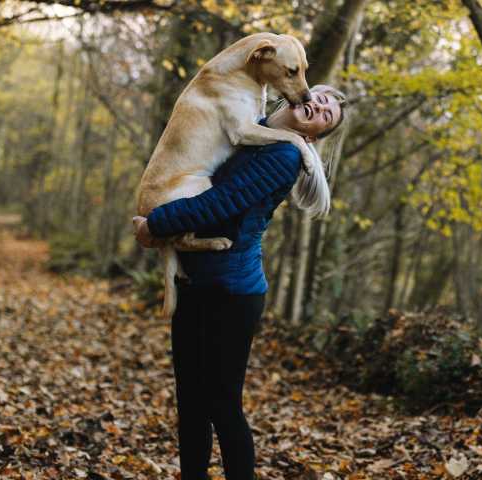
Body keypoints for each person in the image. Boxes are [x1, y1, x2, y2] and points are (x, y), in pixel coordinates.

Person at [133, 84, 348, 480]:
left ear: (313, 136)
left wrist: (157, 226)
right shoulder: (248, 128)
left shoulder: (284, 154)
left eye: (325, 115)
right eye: (317, 98)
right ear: (294, 96)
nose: (317, 107)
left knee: (221, 404)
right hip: (194, 280)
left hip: (232, 294)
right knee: (192, 405)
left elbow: (222, 204)